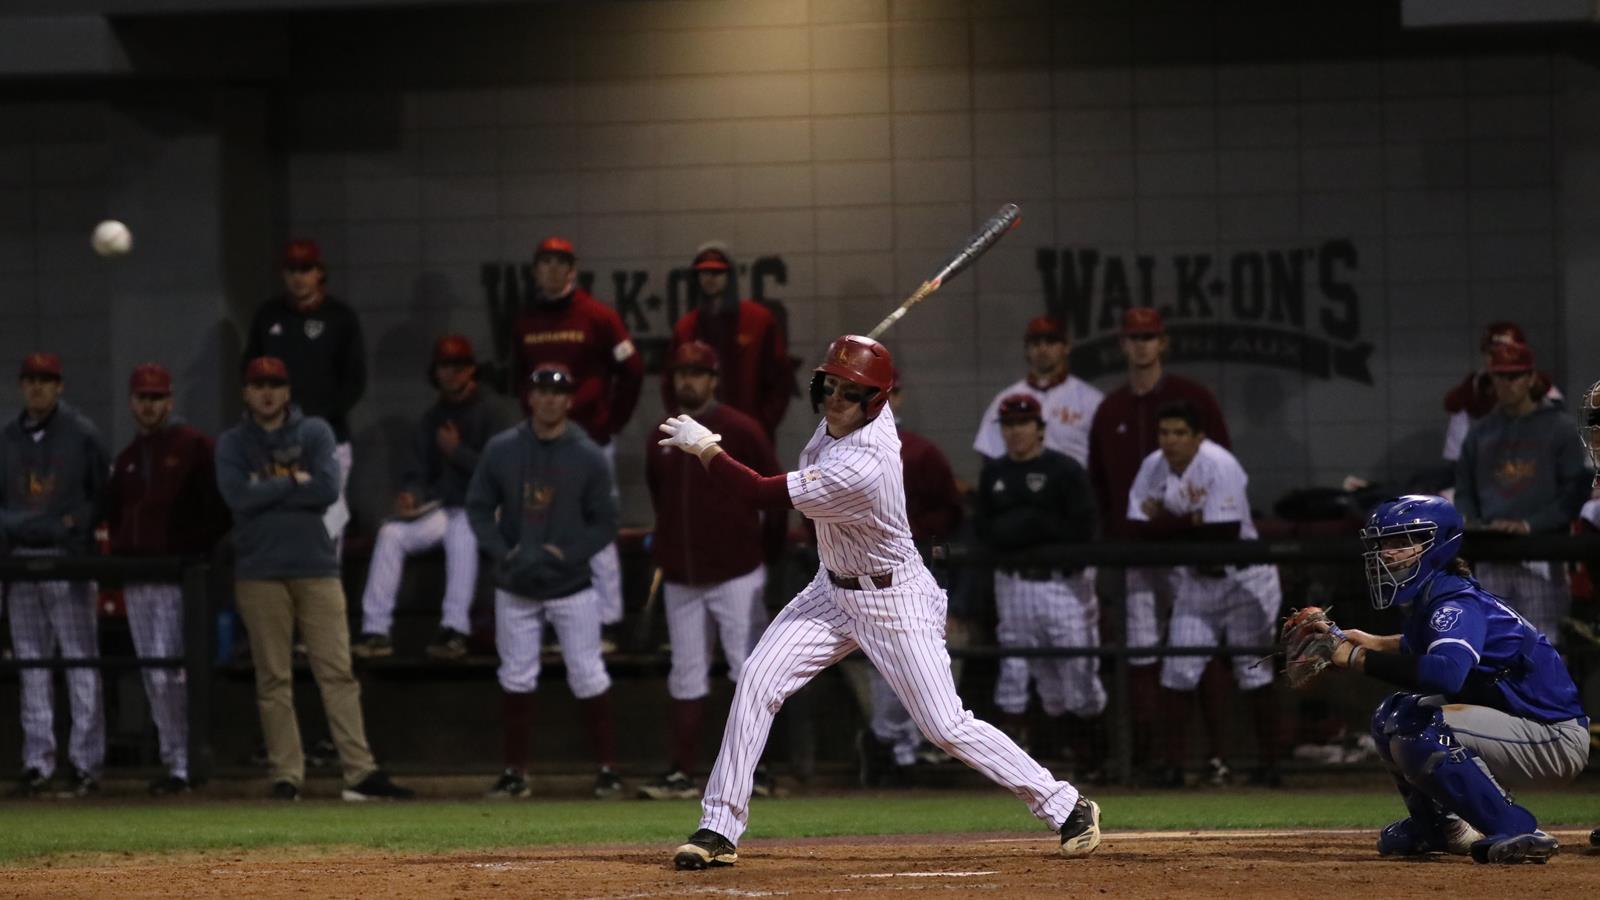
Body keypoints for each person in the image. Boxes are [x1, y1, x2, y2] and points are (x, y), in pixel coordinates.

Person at [657, 334, 1101, 870]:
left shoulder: (864, 464)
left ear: (879, 402)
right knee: (757, 679)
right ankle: (718, 828)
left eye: (853, 393)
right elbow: (849, 379)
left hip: (894, 598)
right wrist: (852, 361)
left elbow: (757, 494)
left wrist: (707, 447)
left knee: (944, 726)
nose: (836, 401)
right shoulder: (848, 412)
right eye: (831, 387)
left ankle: (1065, 804)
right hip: (831, 589)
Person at [1320, 495, 1588, 863]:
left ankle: (1516, 828)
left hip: (1552, 736)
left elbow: (1446, 673)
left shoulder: (1455, 603)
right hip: (1518, 723)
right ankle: (1437, 827)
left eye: (1401, 542)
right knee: (1392, 714)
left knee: (1421, 729)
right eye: (1383, 543)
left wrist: (1357, 659)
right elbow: (1431, 646)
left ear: (1437, 547)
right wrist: (1374, 643)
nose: (1386, 553)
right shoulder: (1438, 595)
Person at [215, 356, 412, 802]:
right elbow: (236, 497)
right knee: (273, 678)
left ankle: (359, 773)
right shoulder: (232, 442)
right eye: (258, 385)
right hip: (259, 571)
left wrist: (267, 487)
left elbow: (326, 488)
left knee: (338, 672)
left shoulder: (315, 432)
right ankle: (287, 775)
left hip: (316, 567)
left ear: (288, 391)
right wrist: (292, 483)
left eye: (275, 384)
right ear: (246, 392)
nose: (267, 393)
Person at [466, 363, 625, 800]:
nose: (550, 399)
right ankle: (515, 773)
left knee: (588, 675)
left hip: (571, 583)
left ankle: (608, 769)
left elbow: (606, 522)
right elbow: (477, 508)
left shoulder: (587, 453)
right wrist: (505, 551)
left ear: (570, 399)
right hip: (516, 582)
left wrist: (568, 552)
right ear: (530, 398)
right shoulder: (502, 449)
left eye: (558, 392)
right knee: (516, 676)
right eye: (541, 391)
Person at [1086, 306, 1232, 776]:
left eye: (1149, 335)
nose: (1142, 344)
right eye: (1135, 336)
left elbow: (1223, 472)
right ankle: (1148, 759)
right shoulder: (1110, 409)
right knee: (1141, 656)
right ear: (1124, 343)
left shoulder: (1193, 398)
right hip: (1134, 555)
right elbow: (1100, 485)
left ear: (1162, 341)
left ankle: (1215, 757)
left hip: (1192, 556)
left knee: (1199, 652)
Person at [639, 341, 785, 801]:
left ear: (714, 378)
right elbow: (659, 498)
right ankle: (682, 771)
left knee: (751, 672)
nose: (689, 380)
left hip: (736, 571)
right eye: (682, 372)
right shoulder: (660, 435)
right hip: (682, 575)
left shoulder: (740, 429)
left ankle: (755, 772)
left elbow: (776, 498)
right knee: (686, 673)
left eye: (698, 373)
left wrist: (767, 555)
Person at [1127, 402, 1283, 788]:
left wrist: (1166, 523)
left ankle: (1270, 764)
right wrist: (1189, 521)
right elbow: (1136, 529)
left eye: (1180, 433)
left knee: (1255, 671)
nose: (1170, 441)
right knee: (1178, 671)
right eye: (1165, 433)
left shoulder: (1219, 463)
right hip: (1197, 581)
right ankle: (1173, 765)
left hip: (1244, 578)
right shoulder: (1153, 465)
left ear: (1198, 437)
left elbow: (1223, 533)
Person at [104, 363, 229, 795]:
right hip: (140, 579)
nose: (149, 405)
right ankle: (175, 759)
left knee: (174, 673)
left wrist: (194, 552)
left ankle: (188, 759)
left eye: (156, 397)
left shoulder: (194, 446)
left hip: (182, 579)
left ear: (170, 400)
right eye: (142, 397)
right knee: (154, 672)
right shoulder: (125, 461)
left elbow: (217, 509)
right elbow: (116, 517)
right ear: (131, 403)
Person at [510, 236, 642, 630]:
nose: (551, 269)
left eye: (559, 262)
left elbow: (632, 370)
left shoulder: (598, 316)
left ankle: (609, 618)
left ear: (572, 270)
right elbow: (519, 378)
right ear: (536, 270)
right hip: (543, 444)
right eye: (544, 262)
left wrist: (609, 423)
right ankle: (556, 618)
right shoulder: (525, 321)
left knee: (597, 525)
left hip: (589, 443)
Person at [353, 335, 511, 660]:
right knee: (391, 534)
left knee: (462, 530)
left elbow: (503, 473)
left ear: (471, 370)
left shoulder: (492, 410)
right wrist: (411, 494)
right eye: (445, 367)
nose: (451, 374)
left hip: (487, 509)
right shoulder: (433, 417)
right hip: (445, 507)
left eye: (458, 366)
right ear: (435, 372)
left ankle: (455, 630)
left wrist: (458, 453)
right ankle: (375, 630)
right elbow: (418, 471)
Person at [975, 393, 1106, 781]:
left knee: (1077, 675)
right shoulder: (994, 473)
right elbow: (985, 530)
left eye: (1023, 423)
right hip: (1014, 584)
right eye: (1009, 425)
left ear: (1040, 428)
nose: (1016, 431)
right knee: (1017, 673)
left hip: (1062, 585)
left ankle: (1092, 759)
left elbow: (1083, 529)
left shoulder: (1064, 470)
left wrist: (1027, 526)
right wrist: (1031, 524)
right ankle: (1022, 769)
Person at [1, 352, 108, 798]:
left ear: (60, 385)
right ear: (22, 385)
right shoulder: (6, 437)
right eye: (31, 380)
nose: (38, 387)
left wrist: (70, 528)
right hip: (21, 560)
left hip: (68, 561)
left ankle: (86, 764)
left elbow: (102, 495)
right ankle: (37, 762)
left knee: (81, 663)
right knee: (32, 665)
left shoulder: (82, 433)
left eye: (46, 380)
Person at [855, 372, 967, 786]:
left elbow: (950, 514)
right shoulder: (842, 448)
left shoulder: (920, 451)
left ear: (896, 397)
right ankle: (892, 750)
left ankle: (903, 749)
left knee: (924, 669)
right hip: (862, 579)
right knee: (882, 673)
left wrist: (905, 531)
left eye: (883, 393)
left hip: (914, 573)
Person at [1454, 341, 1588, 640]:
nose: (1506, 384)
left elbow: (1573, 493)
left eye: (1514, 376)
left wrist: (1531, 525)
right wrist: (1475, 525)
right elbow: (1464, 488)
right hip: (1491, 550)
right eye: (1499, 376)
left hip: (1539, 552)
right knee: (1491, 644)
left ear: (1530, 378)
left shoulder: (1559, 427)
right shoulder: (1481, 431)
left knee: (1543, 643)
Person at [243, 239, 367, 549]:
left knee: (328, 522)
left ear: (319, 272)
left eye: (305, 269)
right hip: (274, 439)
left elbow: (354, 380)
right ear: (283, 274)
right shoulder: (269, 315)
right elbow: (248, 372)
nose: (299, 277)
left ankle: (326, 597)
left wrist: (318, 421)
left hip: (328, 440)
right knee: (279, 522)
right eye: (292, 269)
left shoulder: (340, 318)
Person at [661, 242, 793, 439]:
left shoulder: (758, 321)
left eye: (717, 272)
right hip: (698, 435)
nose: (710, 278)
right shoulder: (686, 327)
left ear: (729, 276)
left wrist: (763, 425)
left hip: (748, 431)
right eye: (704, 273)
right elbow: (670, 383)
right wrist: (682, 426)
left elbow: (781, 379)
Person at [973, 316, 1103, 466]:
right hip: (1020, 486)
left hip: (1073, 486)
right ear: (1027, 350)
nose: (1043, 349)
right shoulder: (1006, 399)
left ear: (1066, 347)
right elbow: (990, 454)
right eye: (1035, 343)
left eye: (1051, 341)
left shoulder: (1091, 399)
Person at [1441, 322, 1561, 463]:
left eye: (1508, 351)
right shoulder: (1470, 392)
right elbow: (1457, 457)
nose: (1500, 358)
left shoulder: (1545, 390)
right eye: (1492, 353)